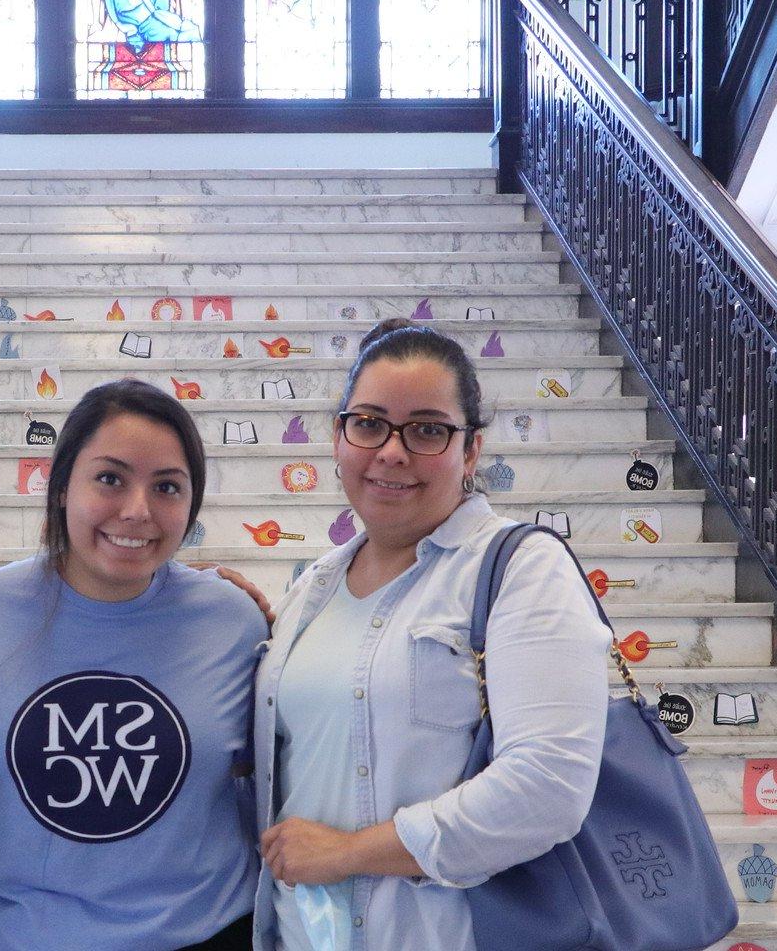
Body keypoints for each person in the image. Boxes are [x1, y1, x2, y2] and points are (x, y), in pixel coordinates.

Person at [252, 318, 613, 950]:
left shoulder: (520, 567)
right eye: (367, 423)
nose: (391, 452)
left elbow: (548, 786)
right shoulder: (314, 587)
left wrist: (349, 853)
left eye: (426, 430)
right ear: (338, 437)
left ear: (470, 450)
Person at [0, 379, 267, 951]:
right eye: (109, 479)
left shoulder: (233, 619)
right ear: (61, 486)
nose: (137, 512)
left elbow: (253, 781)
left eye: (167, 487)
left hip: (204, 933)